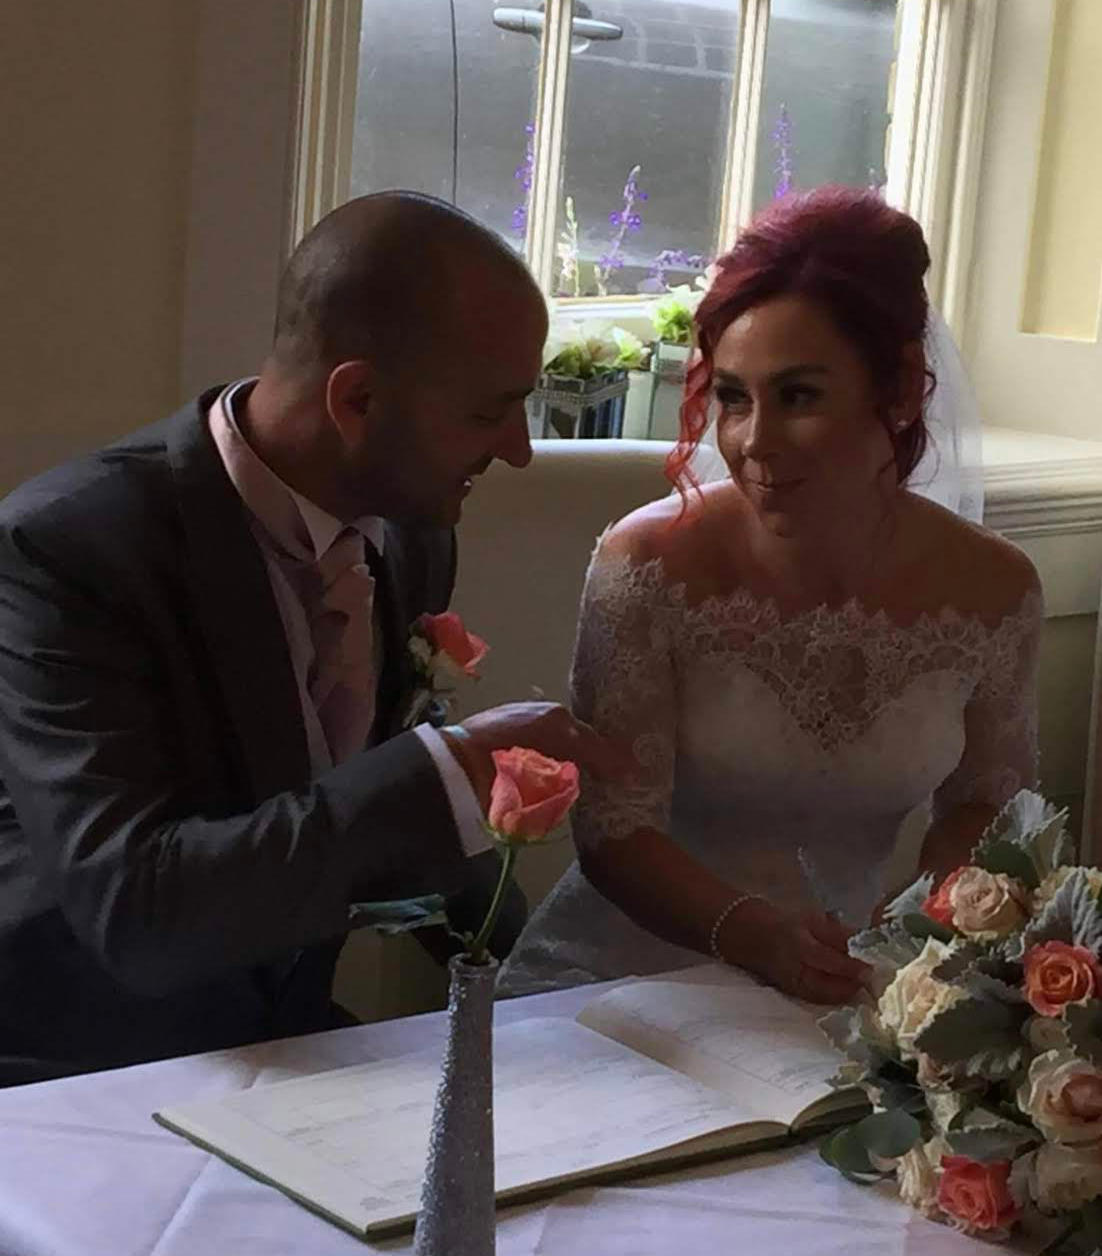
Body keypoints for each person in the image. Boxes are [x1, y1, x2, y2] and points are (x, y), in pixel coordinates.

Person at [0, 192, 618, 1086]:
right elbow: (137, 908)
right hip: (72, 1071)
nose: (519, 450)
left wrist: (541, 993)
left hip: (294, 1052)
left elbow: (374, 816)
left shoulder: (414, 537)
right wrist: (442, 770)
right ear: (357, 398)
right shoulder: (67, 550)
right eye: (491, 413)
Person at [499, 185, 1043, 1004]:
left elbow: (983, 806)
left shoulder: (994, 590)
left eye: (799, 396)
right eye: (732, 398)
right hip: (622, 986)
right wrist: (751, 935)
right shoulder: (648, 567)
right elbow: (614, 830)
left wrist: (918, 926)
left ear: (900, 388)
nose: (755, 442)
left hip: (848, 983)